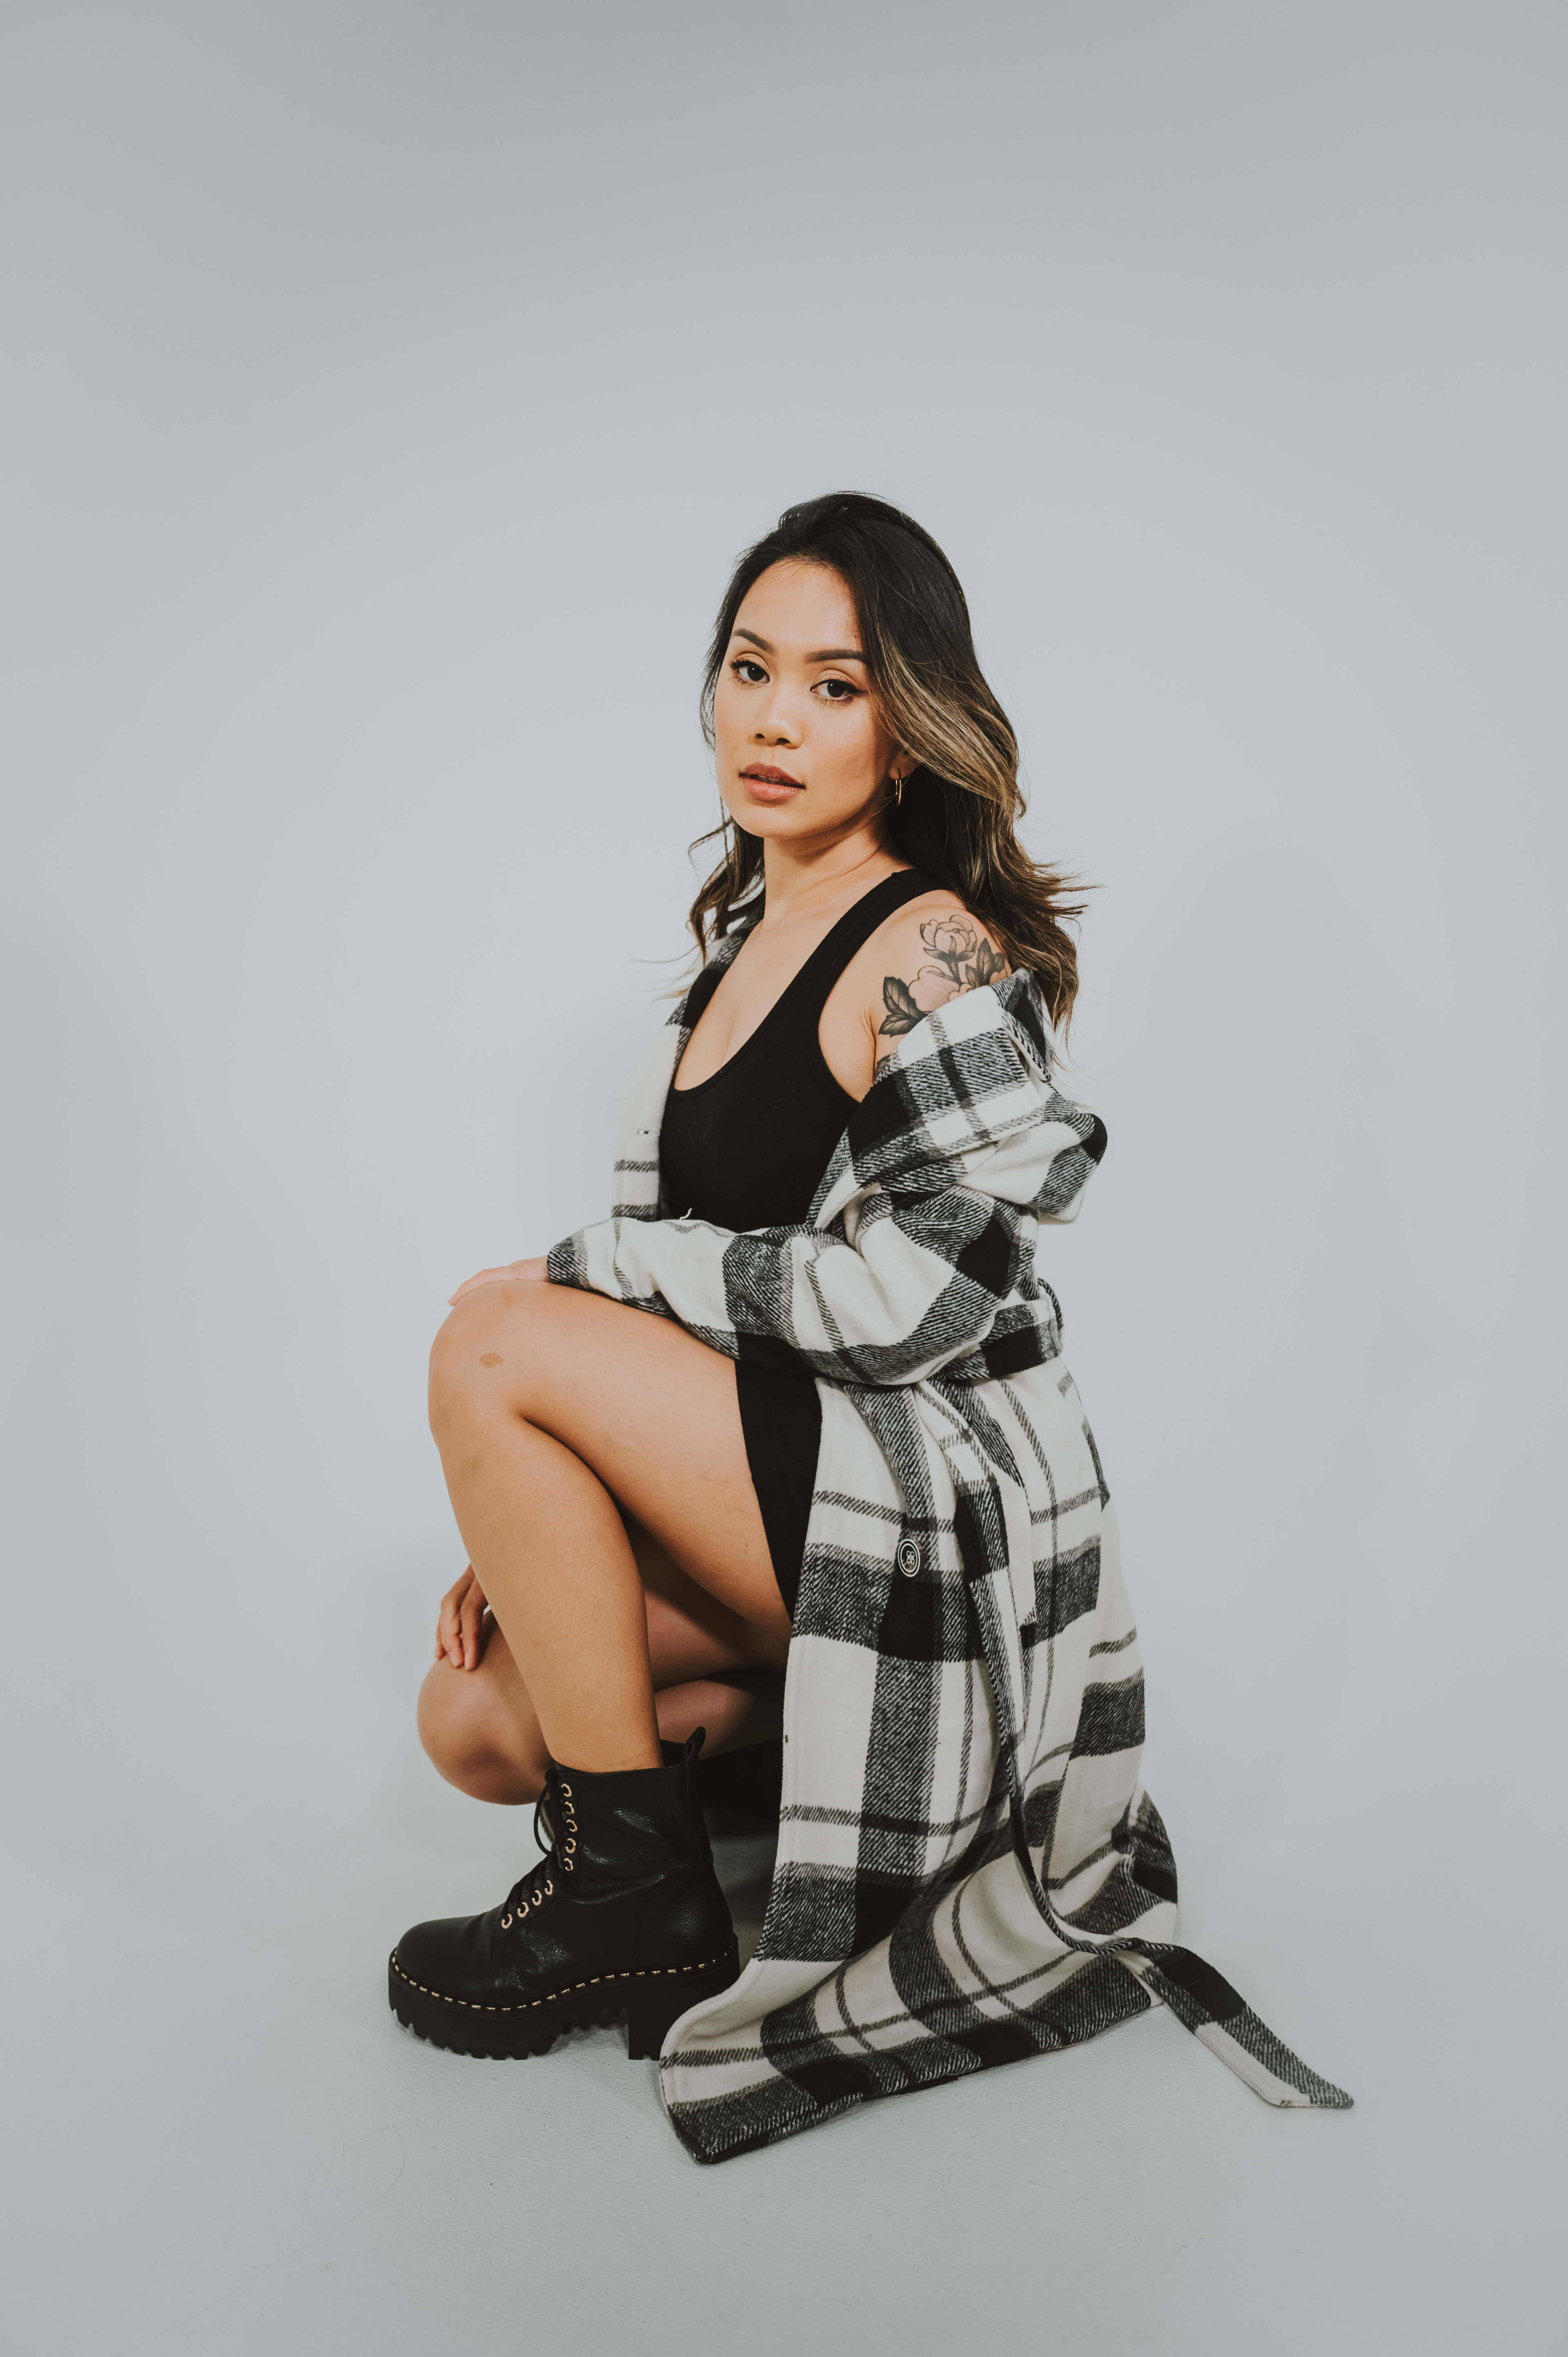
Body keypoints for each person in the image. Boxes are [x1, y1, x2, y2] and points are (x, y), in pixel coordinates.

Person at [389, 493, 1349, 2161]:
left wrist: (570, 1291)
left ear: (910, 727)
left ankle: (639, 1901)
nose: (774, 719)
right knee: (473, 1724)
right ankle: (782, 1815)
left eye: (835, 686)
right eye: (751, 669)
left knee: (491, 1336)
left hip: (926, 1496)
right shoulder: (734, 953)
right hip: (789, 1475)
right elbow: (685, 1291)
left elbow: (914, 1304)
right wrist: (542, 1510)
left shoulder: (929, 948)